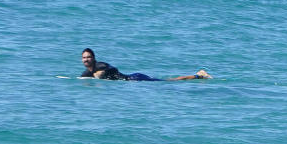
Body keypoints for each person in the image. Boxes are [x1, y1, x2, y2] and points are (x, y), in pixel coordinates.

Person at [79, 48, 212, 81]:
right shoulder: (86, 73)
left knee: (168, 81)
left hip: (135, 78)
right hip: (131, 82)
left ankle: (198, 75)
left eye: (89, 57)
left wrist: (101, 73)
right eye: (84, 58)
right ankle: (197, 76)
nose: (86, 60)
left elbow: (112, 68)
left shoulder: (100, 66)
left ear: (94, 58)